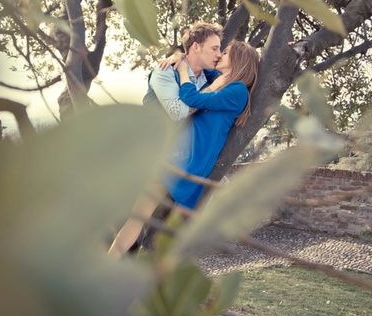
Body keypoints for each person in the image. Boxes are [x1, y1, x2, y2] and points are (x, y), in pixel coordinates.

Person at [108, 40, 260, 257]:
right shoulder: (222, 82)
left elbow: (191, 97)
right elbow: (202, 71)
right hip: (179, 156)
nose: (219, 55)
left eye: (225, 52)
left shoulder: (237, 91)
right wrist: (179, 57)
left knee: (170, 236)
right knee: (138, 219)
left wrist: (181, 69)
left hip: (190, 160)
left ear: (238, 60)